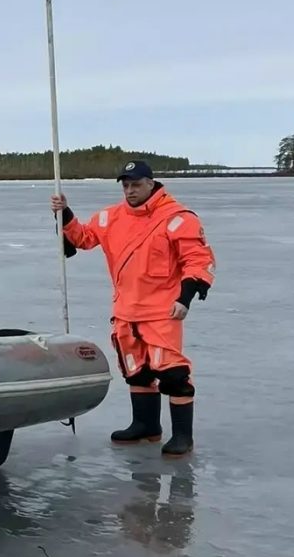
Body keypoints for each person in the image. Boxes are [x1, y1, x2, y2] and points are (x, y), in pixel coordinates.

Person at [51, 160, 215, 457]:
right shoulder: (111, 217)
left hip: (162, 312)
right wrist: (65, 213)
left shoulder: (177, 218)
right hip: (125, 311)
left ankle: (183, 437)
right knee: (136, 371)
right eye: (126, 185)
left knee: (173, 374)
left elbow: (198, 260)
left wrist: (185, 297)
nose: (130, 191)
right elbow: (82, 238)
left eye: (136, 185)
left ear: (151, 184)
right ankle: (146, 426)